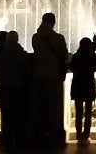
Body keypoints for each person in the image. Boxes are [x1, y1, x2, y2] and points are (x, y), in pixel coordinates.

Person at [30, 12, 69, 149]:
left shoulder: (35, 37)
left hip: (37, 77)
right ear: (53, 22)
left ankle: (37, 139)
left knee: (38, 109)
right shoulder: (58, 38)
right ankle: (55, 139)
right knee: (54, 109)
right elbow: (64, 54)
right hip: (53, 77)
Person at [0, 31, 31, 152]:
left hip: (4, 90)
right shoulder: (21, 53)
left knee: (6, 117)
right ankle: (20, 141)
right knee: (19, 116)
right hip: (18, 89)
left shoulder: (1, 55)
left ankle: (8, 142)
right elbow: (27, 70)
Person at [69, 37, 96, 146]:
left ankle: (79, 135)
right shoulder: (90, 56)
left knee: (79, 112)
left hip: (78, 86)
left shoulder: (76, 56)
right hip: (88, 86)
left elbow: (71, 67)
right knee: (88, 112)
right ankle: (86, 135)